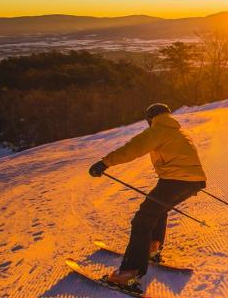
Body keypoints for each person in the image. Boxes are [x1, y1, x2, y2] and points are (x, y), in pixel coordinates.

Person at [88, 103, 207, 288]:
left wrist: (104, 163)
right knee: (158, 211)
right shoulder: (177, 132)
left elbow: (133, 148)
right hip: (194, 181)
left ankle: (129, 273)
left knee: (142, 221)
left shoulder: (158, 130)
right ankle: (152, 248)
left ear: (150, 118)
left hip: (175, 180)